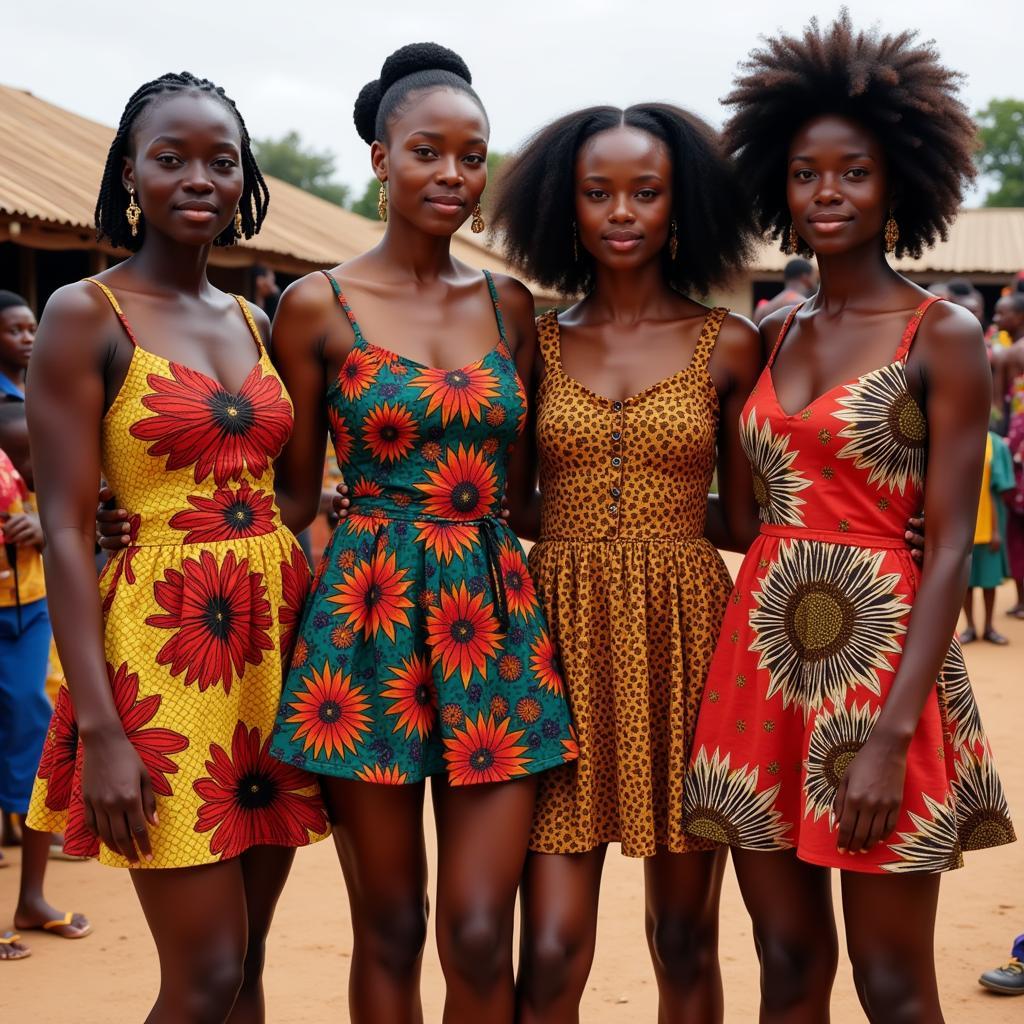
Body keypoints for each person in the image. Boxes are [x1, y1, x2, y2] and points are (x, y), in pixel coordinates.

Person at [684, 15, 1015, 1022]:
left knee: (892, 984)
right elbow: (749, 515)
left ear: (899, 183)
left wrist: (888, 737)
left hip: (882, 681)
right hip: (759, 672)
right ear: (774, 186)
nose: (827, 193)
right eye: (804, 173)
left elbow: (952, 541)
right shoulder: (770, 327)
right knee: (785, 966)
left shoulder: (943, 334)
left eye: (854, 172)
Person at [263, 44, 576, 1024]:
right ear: (378, 156)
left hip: (496, 621)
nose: (451, 174)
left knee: (481, 928)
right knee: (391, 925)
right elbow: (292, 491)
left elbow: (527, 492)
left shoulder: (507, 305)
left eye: (472, 156)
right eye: (427, 151)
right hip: (366, 621)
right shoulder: (315, 304)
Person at [25, 73, 327, 1019]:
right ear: (129, 172)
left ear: (245, 179)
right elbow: (69, 527)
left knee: (247, 966)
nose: (199, 177)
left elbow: (282, 491)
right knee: (199, 980)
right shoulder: (85, 313)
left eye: (221, 160)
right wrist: (104, 731)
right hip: (161, 663)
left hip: (272, 653)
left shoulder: (252, 320)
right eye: (171, 158)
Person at [490, 103, 761, 1022]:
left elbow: (749, 517)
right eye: (597, 192)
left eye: (645, 192)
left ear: (679, 206)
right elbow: (514, 499)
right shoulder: (538, 342)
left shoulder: (728, 342)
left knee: (683, 939)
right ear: (565, 208)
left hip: (688, 641)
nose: (621, 211)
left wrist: (873, 531)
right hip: (556, 643)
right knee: (555, 946)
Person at [0, 291, 91, 962]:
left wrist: (40, 520)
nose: (29, 338)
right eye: (17, 329)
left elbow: (57, 489)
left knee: (36, 730)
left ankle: (31, 897)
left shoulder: (25, 405)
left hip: (27, 600)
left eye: (34, 327)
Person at [960, 430, 1014, 644]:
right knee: (966, 582)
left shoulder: (996, 444)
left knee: (989, 582)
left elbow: (1000, 489)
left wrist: (996, 531)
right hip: (963, 524)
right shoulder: (956, 438)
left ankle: (989, 627)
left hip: (990, 524)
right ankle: (970, 627)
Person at [992, 295, 1024, 615]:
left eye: (1003, 313)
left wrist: (1002, 446)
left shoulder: (1011, 353)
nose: (998, 318)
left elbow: (999, 406)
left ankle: (1022, 599)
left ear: (1019, 317)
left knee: (1016, 530)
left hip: (1015, 447)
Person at [752, 257, 817, 325]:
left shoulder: (763, 308)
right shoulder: (804, 305)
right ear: (805, 277)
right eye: (814, 276)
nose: (816, 280)